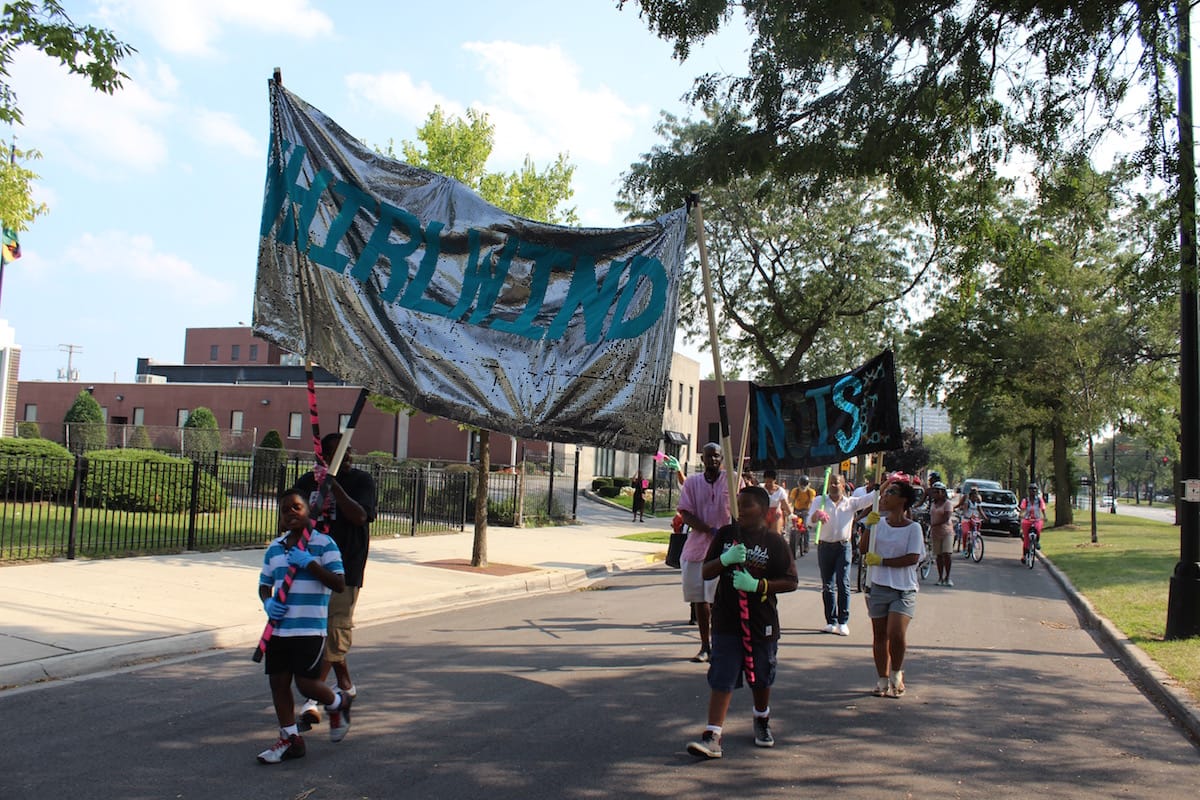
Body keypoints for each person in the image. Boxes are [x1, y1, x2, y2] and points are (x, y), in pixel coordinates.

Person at [686, 485, 799, 759]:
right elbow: (706, 571)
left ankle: (761, 718)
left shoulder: (774, 542)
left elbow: (791, 581)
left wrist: (758, 585)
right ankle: (713, 734)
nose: (739, 510)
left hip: (762, 622)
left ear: (762, 509)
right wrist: (725, 559)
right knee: (722, 675)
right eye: (736, 504)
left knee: (761, 676)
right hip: (726, 619)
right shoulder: (727, 535)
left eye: (746, 505)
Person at [256, 489, 351, 764]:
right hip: (280, 629)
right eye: (285, 509)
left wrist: (309, 563)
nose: (291, 513)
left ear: (308, 510)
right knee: (278, 683)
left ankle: (338, 703)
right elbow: (264, 584)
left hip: (309, 629)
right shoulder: (275, 548)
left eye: (296, 507)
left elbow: (339, 583)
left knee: (307, 685)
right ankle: (290, 739)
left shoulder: (324, 544)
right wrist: (267, 602)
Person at [293, 432, 377, 730]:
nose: (342, 457)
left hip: (346, 569)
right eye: (330, 454)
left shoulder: (361, 481)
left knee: (334, 628)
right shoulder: (307, 481)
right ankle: (345, 684)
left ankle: (314, 698)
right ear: (321, 457)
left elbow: (359, 516)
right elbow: (290, 513)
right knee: (317, 631)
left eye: (344, 452)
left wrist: (334, 486)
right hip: (311, 567)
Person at [861, 478, 925, 698]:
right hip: (879, 585)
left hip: (903, 588)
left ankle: (896, 673)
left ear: (904, 500)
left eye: (892, 493)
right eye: (886, 492)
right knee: (879, 635)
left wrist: (883, 561)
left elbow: (913, 557)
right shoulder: (878, 523)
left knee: (895, 633)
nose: (886, 496)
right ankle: (882, 679)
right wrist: (869, 526)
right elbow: (863, 549)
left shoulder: (913, 528)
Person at [678, 443, 735, 663]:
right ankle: (705, 646)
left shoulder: (732, 480)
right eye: (708, 456)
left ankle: (722, 644)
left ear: (722, 459)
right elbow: (686, 513)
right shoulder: (692, 483)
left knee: (720, 600)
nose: (712, 460)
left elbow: (740, 509)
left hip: (725, 550)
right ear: (702, 459)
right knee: (700, 600)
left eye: (717, 456)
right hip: (697, 548)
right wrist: (709, 529)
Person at [807, 474, 877, 636]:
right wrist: (816, 516)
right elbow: (809, 522)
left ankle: (843, 621)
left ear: (843, 486)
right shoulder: (820, 501)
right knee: (827, 585)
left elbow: (871, 498)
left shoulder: (850, 503)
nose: (833, 486)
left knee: (843, 583)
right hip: (825, 547)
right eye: (831, 483)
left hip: (843, 546)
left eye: (837, 483)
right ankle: (830, 621)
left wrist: (885, 484)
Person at [927, 482, 955, 586]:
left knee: (947, 554)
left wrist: (934, 523)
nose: (934, 493)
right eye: (934, 491)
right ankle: (940, 577)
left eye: (937, 491)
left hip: (946, 532)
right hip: (935, 532)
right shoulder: (933, 504)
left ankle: (947, 577)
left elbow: (946, 518)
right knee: (938, 556)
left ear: (943, 493)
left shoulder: (947, 504)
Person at [1020, 484, 1047, 560]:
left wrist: (1044, 516)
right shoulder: (1026, 500)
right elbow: (1022, 509)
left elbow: (1043, 508)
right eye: (1031, 489)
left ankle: (1036, 541)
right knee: (1026, 539)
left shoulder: (1039, 500)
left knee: (1038, 528)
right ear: (1029, 491)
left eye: (1035, 489)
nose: (1033, 491)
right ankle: (1024, 555)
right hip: (1027, 519)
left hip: (1036, 519)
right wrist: (1021, 515)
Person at [761, 469, 791, 535]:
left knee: (775, 535)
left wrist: (791, 515)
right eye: (767, 481)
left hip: (775, 514)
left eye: (770, 482)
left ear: (775, 480)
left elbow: (785, 504)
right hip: (763, 514)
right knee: (762, 535)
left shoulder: (780, 491)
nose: (768, 484)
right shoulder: (760, 488)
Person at [954, 487, 983, 555]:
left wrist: (984, 517)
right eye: (973, 495)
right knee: (965, 532)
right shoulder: (966, 499)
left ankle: (976, 536)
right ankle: (964, 548)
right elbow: (963, 508)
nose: (975, 497)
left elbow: (980, 510)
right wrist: (957, 509)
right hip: (966, 518)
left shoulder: (978, 500)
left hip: (974, 519)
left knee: (978, 523)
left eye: (976, 495)